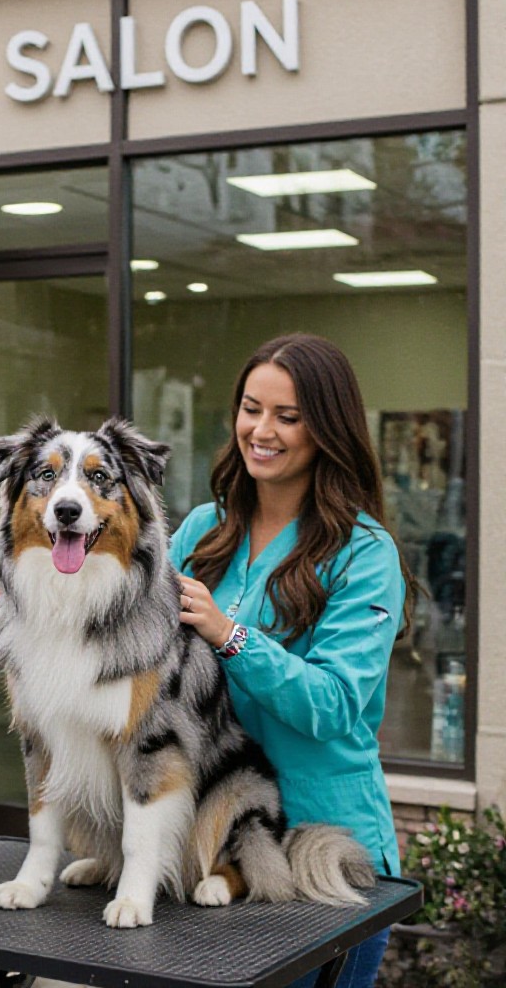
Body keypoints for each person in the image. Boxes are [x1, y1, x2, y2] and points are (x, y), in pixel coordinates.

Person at [170, 333, 414, 988]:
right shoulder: (200, 532)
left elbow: (334, 705)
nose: (263, 430)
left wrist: (231, 636)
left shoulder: (364, 553)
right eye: (252, 408)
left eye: (288, 416)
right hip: (214, 849)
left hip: (321, 854)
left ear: (327, 429)